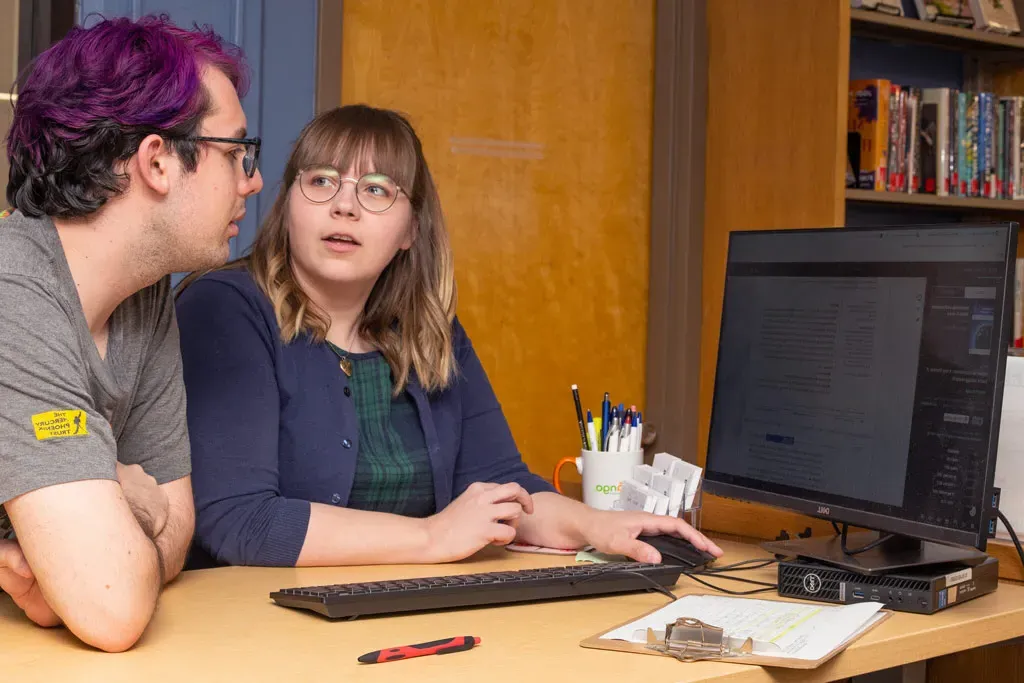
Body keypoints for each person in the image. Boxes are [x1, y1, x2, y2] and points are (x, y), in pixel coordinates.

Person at [174, 104, 722, 569]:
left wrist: (598, 526)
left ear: (412, 229)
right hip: (259, 632)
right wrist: (434, 536)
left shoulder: (428, 333)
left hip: (399, 618)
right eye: (320, 181)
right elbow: (238, 519)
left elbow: (502, 484)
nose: (344, 205)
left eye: (377, 190)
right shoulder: (226, 307)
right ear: (287, 205)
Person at [0, 16, 263, 651]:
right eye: (237, 153)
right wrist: (124, 501)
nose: (252, 181)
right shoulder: (13, 294)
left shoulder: (142, 295)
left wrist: (123, 513)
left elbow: (176, 532)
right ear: (157, 162)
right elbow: (112, 608)